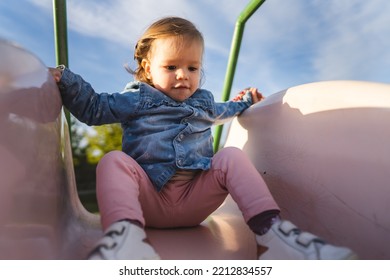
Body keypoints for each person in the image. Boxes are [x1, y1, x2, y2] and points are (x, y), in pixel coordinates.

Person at [49, 17, 356, 260]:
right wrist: (67, 79)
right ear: (147, 68)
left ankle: (273, 234)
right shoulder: (137, 100)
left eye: (192, 67)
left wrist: (246, 101)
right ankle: (125, 238)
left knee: (230, 156)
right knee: (114, 160)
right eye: (171, 67)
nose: (183, 75)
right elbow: (94, 108)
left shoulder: (203, 102)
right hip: (149, 203)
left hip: (195, 202)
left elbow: (226, 110)